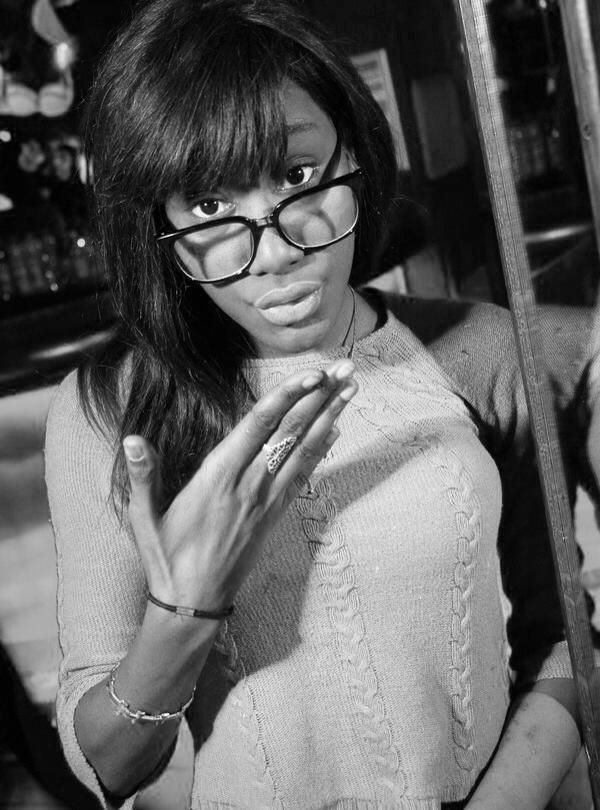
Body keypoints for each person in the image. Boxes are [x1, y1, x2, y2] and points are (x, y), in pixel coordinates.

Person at [44, 0, 584, 807]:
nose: (275, 252)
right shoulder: (107, 412)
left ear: (354, 155)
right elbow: (110, 768)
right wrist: (184, 614)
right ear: (159, 225)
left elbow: (564, 639)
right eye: (210, 206)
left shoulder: (480, 351)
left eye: (297, 177)